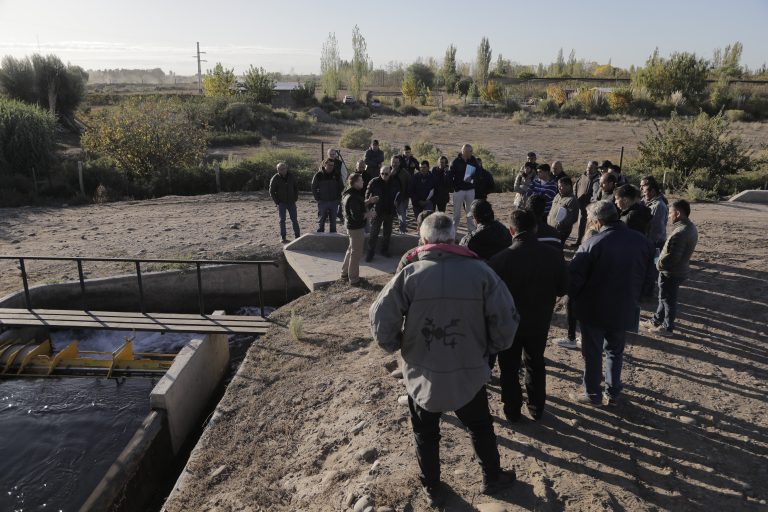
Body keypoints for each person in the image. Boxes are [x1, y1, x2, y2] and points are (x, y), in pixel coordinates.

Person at [369, 213, 519, 507]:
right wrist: (491, 348)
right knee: (480, 425)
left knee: (425, 433)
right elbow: (506, 319)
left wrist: (396, 345)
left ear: (424, 240)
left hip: (421, 371)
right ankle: (492, 477)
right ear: (454, 239)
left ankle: (432, 488)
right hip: (469, 369)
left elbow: (380, 316)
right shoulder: (482, 272)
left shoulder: (409, 274)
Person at [568, 201, 654, 406]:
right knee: (615, 351)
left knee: (593, 353)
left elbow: (574, 279)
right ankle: (613, 392)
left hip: (594, 309)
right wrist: (640, 298)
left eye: (590, 219)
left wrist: (573, 299)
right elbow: (650, 274)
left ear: (598, 221)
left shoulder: (593, 243)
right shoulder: (642, 241)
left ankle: (592, 394)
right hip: (625, 306)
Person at [489, 209, 567, 421]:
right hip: (539, 320)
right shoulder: (553, 255)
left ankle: (512, 410)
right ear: (535, 228)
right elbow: (563, 288)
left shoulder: (499, 260)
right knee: (535, 362)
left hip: (508, 323)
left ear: (511, 230)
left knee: (508, 367)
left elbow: (490, 297)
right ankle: (536, 407)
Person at [646, 199, 698, 337]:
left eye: (670, 213)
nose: (668, 216)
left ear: (678, 213)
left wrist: (657, 264)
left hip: (671, 272)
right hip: (677, 270)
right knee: (664, 298)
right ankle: (656, 320)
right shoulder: (689, 227)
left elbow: (673, 257)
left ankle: (667, 328)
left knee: (668, 300)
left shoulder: (681, 231)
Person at [340, 174, 378, 285]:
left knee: (351, 250)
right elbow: (356, 215)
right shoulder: (353, 196)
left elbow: (356, 206)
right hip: (356, 228)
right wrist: (369, 214)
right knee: (356, 253)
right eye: (361, 181)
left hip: (351, 227)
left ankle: (344, 273)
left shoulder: (349, 193)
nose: (363, 182)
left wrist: (369, 201)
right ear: (355, 182)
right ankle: (354, 279)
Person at [366, 165, 398, 261]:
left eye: (386, 174)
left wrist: (397, 202)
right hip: (377, 212)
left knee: (387, 234)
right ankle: (370, 253)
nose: (384, 175)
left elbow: (399, 194)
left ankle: (384, 250)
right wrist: (370, 209)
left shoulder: (395, 182)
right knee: (373, 234)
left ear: (390, 173)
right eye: (382, 173)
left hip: (389, 211)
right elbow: (367, 196)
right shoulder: (374, 182)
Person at [448, 144, 479, 234]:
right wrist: (454, 187)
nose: (472, 153)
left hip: (470, 189)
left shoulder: (473, 160)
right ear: (464, 152)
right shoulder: (455, 161)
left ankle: (472, 231)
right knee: (456, 213)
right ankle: (453, 232)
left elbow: (479, 172)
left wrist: (472, 178)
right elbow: (449, 176)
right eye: (470, 151)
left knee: (470, 212)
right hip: (459, 190)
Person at [268, 162, 300, 243]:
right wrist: (277, 202)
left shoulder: (291, 176)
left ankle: (297, 236)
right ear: (277, 170)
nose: (282, 170)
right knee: (282, 220)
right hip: (281, 203)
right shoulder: (275, 178)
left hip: (292, 202)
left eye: (284, 168)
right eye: (280, 169)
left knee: (294, 219)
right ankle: (283, 236)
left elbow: (296, 187)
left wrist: (295, 198)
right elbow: (271, 191)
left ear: (286, 168)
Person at [312, 158, 344, 233]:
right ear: (325, 164)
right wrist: (317, 198)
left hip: (334, 202)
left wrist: (338, 198)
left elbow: (341, 187)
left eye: (332, 165)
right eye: (329, 165)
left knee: (333, 222)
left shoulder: (337, 175)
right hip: (322, 201)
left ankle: (333, 236)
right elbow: (313, 187)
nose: (331, 167)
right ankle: (320, 235)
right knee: (321, 221)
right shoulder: (319, 175)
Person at [573, 161, 600, 246]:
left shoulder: (597, 179)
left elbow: (596, 194)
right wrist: (575, 197)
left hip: (591, 207)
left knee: (591, 225)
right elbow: (576, 186)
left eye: (591, 167)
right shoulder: (583, 176)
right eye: (588, 167)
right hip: (581, 204)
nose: (588, 169)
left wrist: (592, 204)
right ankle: (579, 241)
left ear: (596, 169)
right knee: (581, 224)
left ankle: (588, 243)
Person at [547, 177, 580, 245]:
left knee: (557, 248)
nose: (559, 188)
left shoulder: (571, 200)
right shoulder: (557, 196)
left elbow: (573, 218)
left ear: (569, 186)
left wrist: (559, 225)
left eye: (561, 186)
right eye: (558, 186)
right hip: (551, 228)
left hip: (561, 232)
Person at [391, 155, 412, 234]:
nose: (394, 164)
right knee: (388, 216)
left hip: (402, 198)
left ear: (399, 163)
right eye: (393, 162)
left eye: (396, 162)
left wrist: (406, 196)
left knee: (402, 216)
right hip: (390, 198)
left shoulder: (404, 172)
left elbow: (409, 184)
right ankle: (389, 231)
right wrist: (390, 175)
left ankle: (402, 231)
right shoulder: (387, 171)